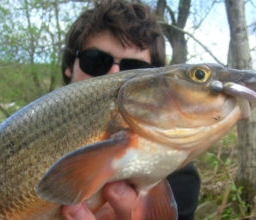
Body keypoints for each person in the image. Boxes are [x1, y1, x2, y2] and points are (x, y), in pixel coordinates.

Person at [61, 1, 201, 219]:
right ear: (69, 68)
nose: (114, 76)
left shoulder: (179, 177)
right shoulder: (19, 140)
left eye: (134, 71)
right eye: (96, 61)